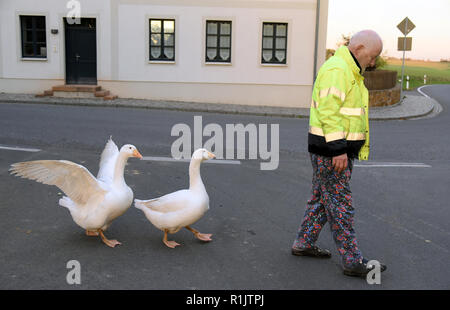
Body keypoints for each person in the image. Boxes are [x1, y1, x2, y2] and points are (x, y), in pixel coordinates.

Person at [291, 30, 387, 277]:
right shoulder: (338, 69)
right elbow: (329, 112)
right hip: (331, 152)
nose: (374, 61)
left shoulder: (349, 69)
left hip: (334, 151)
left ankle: (303, 243)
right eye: (373, 56)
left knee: (322, 200)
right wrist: (338, 150)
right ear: (360, 48)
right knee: (340, 205)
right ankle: (352, 260)